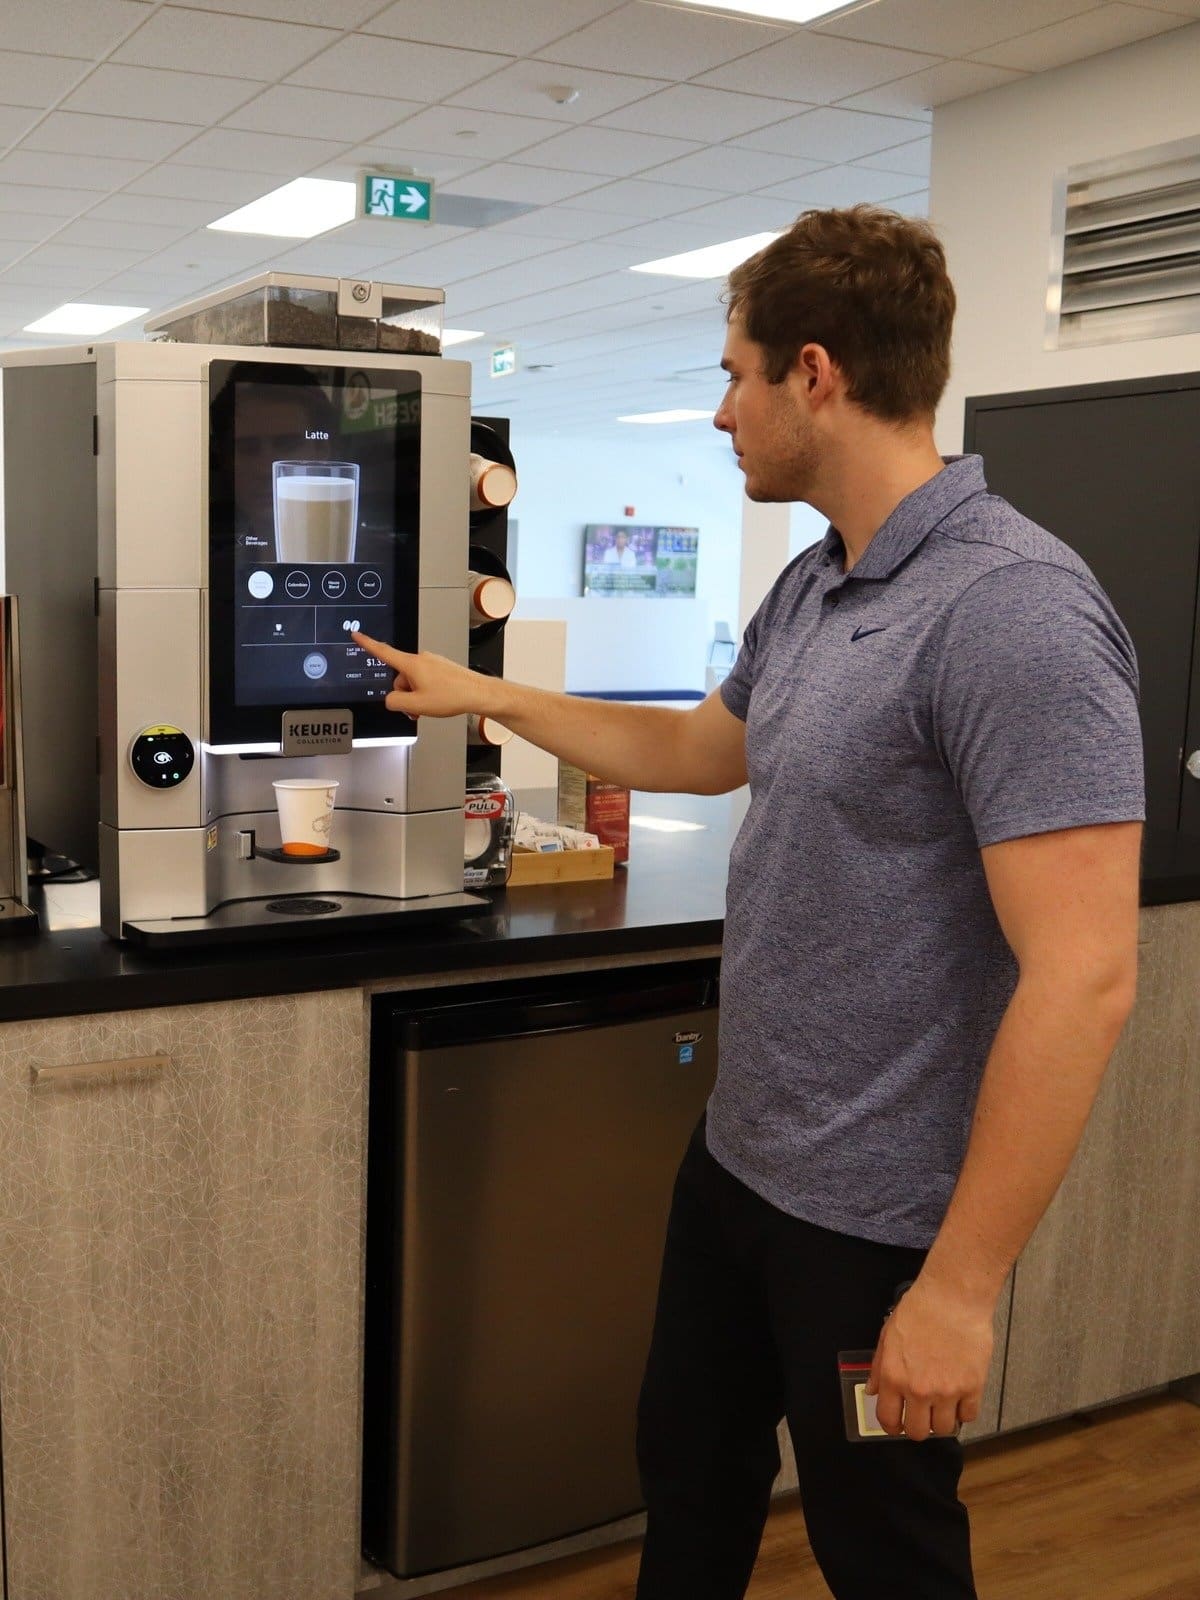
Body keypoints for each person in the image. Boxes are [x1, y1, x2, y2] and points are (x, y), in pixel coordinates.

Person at [353, 203, 1144, 1599]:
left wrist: (957, 1292)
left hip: (881, 1219)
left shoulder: (1015, 612)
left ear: (817, 373)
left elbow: (1082, 977)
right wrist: (482, 692)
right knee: (689, 1484)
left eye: (735, 373)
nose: (721, 411)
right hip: (741, 1166)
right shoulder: (817, 585)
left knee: (884, 1553)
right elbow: (696, 755)